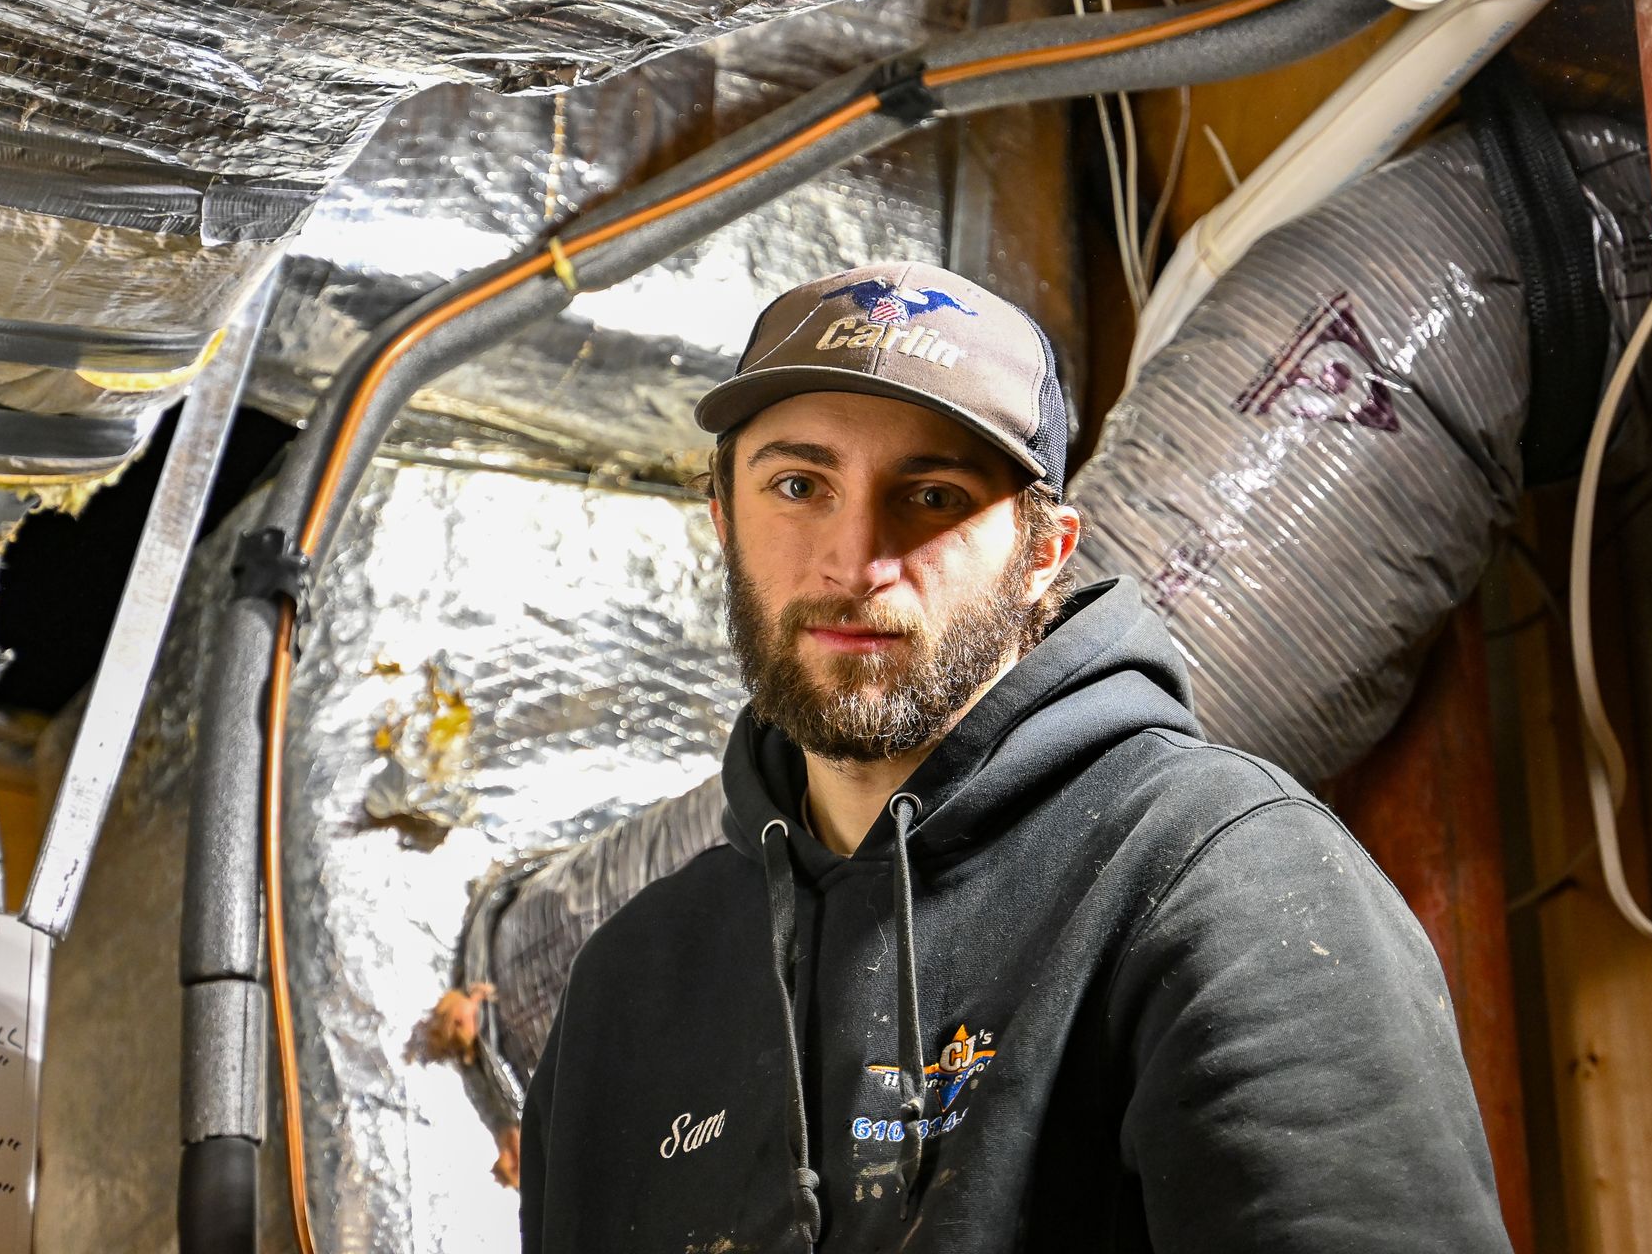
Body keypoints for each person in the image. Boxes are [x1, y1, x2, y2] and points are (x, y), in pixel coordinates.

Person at [519, 262, 1510, 1252]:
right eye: (799, 485)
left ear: (1044, 556)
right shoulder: (627, 984)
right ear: (724, 522)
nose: (856, 560)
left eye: (932, 494)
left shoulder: (1222, 874)